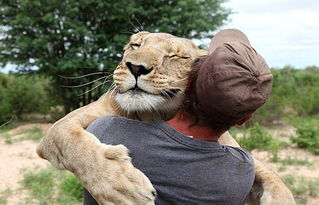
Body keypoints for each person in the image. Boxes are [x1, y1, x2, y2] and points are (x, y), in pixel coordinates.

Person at [83, 29, 272, 205]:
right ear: (244, 119)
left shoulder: (106, 131)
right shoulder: (242, 169)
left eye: (177, 57)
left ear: (189, 83)